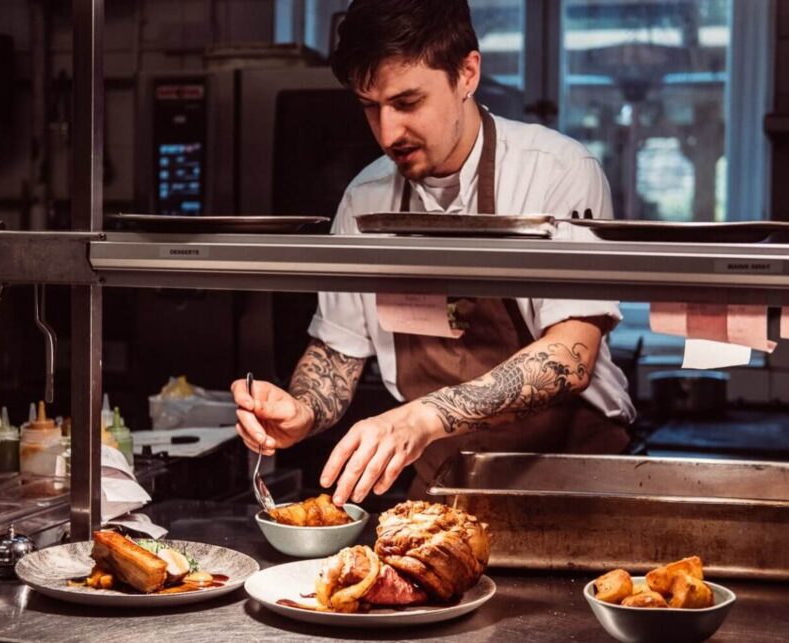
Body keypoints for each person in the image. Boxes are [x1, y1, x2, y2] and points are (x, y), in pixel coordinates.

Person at [232, 0, 636, 506]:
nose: (386, 134)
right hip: (442, 491)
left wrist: (424, 417)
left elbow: (570, 356)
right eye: (369, 106)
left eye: (406, 103)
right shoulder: (365, 199)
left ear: (467, 73)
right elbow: (339, 349)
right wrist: (303, 411)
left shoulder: (556, 172)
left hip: (572, 485)